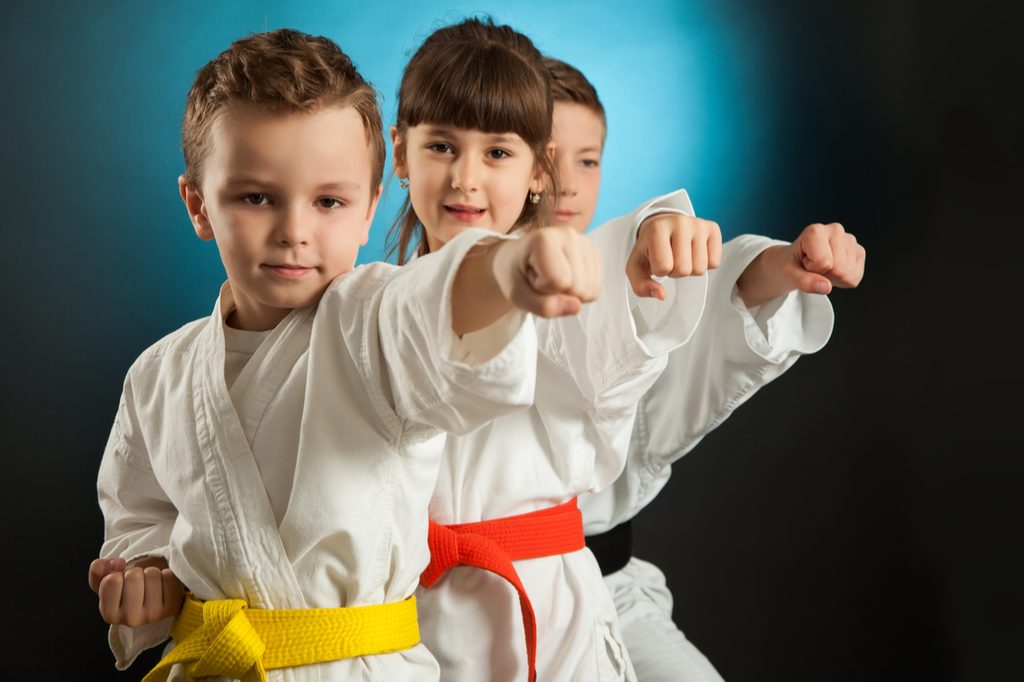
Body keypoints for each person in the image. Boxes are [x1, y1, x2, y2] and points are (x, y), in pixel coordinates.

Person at [86, 29, 603, 682]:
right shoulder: (159, 375)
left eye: (329, 201)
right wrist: (149, 574)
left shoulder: (370, 323)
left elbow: (434, 304)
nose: (294, 231)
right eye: (256, 197)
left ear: (368, 210)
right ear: (199, 205)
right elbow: (140, 514)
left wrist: (509, 266)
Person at [386, 17, 723, 682]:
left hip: (550, 620)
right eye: (442, 146)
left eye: (497, 153)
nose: (466, 179)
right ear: (400, 153)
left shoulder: (561, 289)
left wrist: (656, 230)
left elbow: (611, 285)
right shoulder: (363, 303)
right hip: (410, 628)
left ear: (539, 171)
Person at [544, 55, 866, 681]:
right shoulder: (424, 295)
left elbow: (712, 305)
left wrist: (782, 266)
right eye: (545, 157)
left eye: (587, 161)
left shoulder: (628, 283)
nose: (567, 185)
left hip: (609, 591)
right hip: (475, 599)